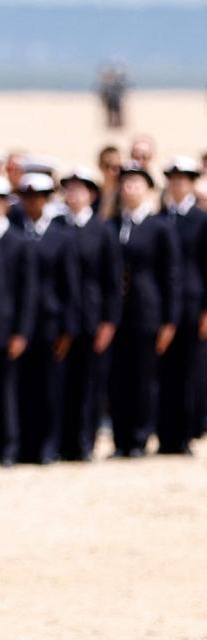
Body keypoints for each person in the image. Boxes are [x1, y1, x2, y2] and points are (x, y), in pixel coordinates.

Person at [108, 162, 180, 457]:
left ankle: (139, 437)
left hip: (146, 311)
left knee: (143, 378)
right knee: (117, 378)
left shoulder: (159, 227)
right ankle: (120, 438)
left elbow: (171, 274)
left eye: (136, 184)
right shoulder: (111, 226)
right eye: (125, 184)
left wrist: (169, 320)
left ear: (148, 189)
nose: (129, 189)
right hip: (115, 314)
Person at [13, 173, 79, 464]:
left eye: (38, 196)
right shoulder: (15, 232)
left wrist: (68, 329)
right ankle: (24, 446)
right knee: (23, 387)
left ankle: (48, 446)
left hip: (51, 322)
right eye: (27, 197)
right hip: (20, 323)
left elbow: (71, 286)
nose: (32, 202)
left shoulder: (61, 236)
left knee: (51, 388)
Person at [59, 168, 122, 461]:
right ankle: (63, 441)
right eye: (69, 190)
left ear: (91, 195)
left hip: (92, 319)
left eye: (79, 190)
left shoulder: (103, 231)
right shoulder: (58, 227)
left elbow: (113, 281)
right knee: (62, 383)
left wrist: (109, 322)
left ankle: (85, 442)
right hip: (60, 321)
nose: (73, 195)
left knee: (90, 384)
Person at [0, 175, 36, 466]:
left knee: (7, 393)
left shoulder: (19, 242)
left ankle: (9, 448)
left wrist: (21, 332)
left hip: (8, 329)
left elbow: (27, 292)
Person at [156, 157, 207, 453]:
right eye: (173, 180)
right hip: (163, 304)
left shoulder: (201, 220)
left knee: (189, 371)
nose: (177, 185)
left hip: (191, 302)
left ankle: (185, 436)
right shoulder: (161, 218)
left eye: (183, 180)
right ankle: (164, 435)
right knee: (164, 372)